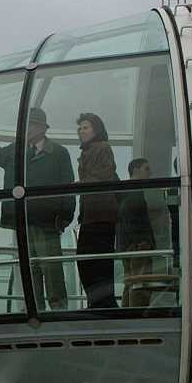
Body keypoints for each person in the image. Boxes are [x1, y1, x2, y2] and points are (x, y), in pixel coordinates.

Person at [0, 107, 75, 311]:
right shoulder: (15, 150)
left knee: (51, 269)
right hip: (22, 221)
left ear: (41, 128)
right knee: (29, 270)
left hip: (48, 222)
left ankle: (59, 312)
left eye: (30, 125)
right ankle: (35, 310)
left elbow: (68, 187)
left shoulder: (59, 152)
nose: (26, 129)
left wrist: (64, 218)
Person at [75, 112, 119, 309]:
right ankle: (99, 302)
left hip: (101, 215)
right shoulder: (87, 152)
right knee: (89, 260)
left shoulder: (102, 148)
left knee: (95, 261)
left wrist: (80, 184)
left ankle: (103, 304)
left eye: (85, 127)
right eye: (80, 127)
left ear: (96, 129)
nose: (81, 131)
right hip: (91, 216)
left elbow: (105, 174)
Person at [118, 158, 156, 307]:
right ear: (136, 169)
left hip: (127, 244)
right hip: (138, 245)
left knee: (130, 283)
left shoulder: (124, 191)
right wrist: (143, 241)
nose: (150, 173)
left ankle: (126, 315)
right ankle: (137, 315)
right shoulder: (135, 192)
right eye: (146, 169)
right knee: (140, 284)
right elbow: (135, 219)